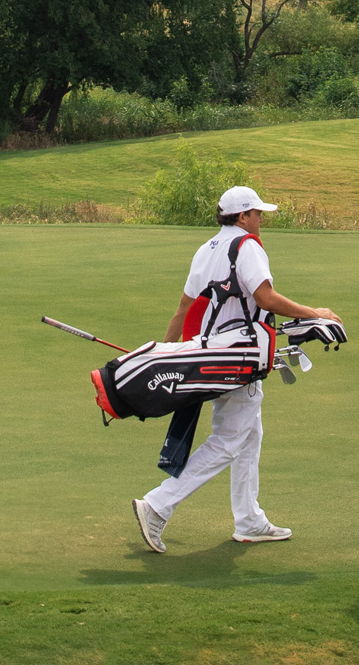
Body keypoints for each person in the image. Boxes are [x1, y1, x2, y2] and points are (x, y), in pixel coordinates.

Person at [131, 185, 340, 553]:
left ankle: (249, 520)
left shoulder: (206, 248)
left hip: (209, 355)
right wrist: (315, 312)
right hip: (239, 355)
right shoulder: (247, 246)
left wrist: (168, 351)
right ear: (242, 217)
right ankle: (158, 506)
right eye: (257, 213)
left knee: (249, 435)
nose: (261, 219)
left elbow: (184, 306)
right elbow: (265, 298)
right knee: (229, 441)